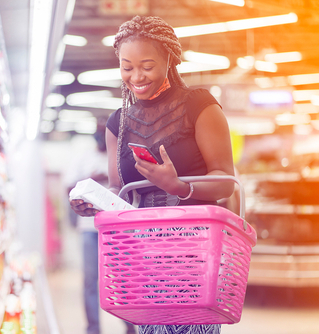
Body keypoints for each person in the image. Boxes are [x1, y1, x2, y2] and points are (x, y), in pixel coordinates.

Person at [69, 15, 235, 334]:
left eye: (147, 65)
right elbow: (120, 192)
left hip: (194, 250)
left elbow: (226, 181)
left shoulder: (199, 106)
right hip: (143, 255)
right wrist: (95, 203)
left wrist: (178, 186)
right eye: (126, 67)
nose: (136, 76)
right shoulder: (117, 123)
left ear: (169, 59)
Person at [64, 118, 136, 334]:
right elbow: (69, 185)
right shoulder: (84, 157)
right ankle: (93, 329)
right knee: (90, 281)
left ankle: (130, 325)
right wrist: (93, 179)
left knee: (125, 279)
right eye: (99, 130)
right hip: (89, 229)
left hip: (118, 230)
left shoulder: (121, 157)